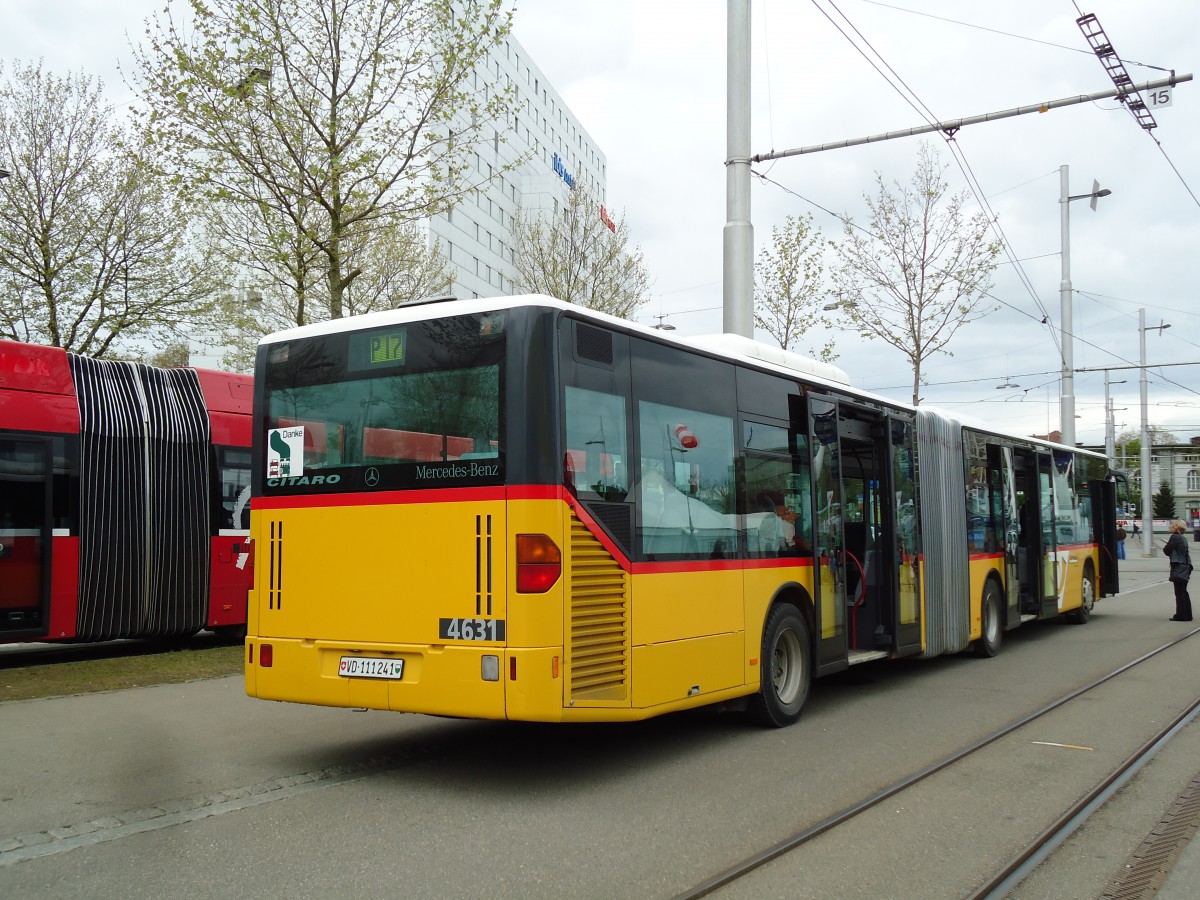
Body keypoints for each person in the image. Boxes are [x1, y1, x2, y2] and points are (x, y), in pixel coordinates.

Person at [1162, 519, 1193, 622]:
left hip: (1179, 567)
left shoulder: (1175, 537)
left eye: (1171, 525)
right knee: (1183, 591)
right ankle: (1188, 614)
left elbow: (1166, 550)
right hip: (1185, 566)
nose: (1169, 526)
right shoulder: (1183, 538)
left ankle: (1181, 615)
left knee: (1179, 592)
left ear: (1176, 527)